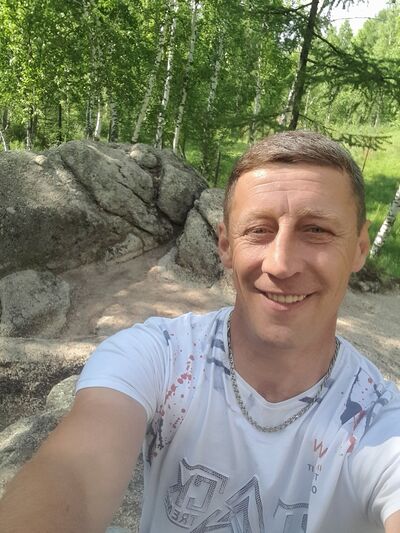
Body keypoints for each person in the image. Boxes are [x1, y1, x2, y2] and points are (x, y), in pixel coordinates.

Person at [0, 131, 399, 533]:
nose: (281, 264)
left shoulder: (381, 422)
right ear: (225, 245)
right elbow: (72, 473)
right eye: (259, 230)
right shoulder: (158, 357)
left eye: (316, 230)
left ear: (360, 248)